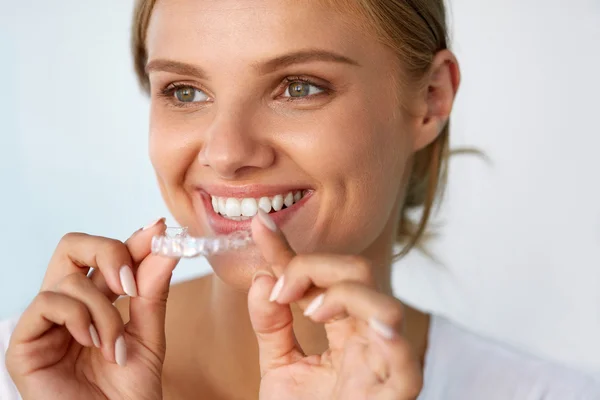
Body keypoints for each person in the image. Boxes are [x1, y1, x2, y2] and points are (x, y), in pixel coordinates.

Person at [2, 0, 600, 399]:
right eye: (185, 91)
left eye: (299, 87)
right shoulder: (28, 374)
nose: (228, 151)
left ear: (431, 99)